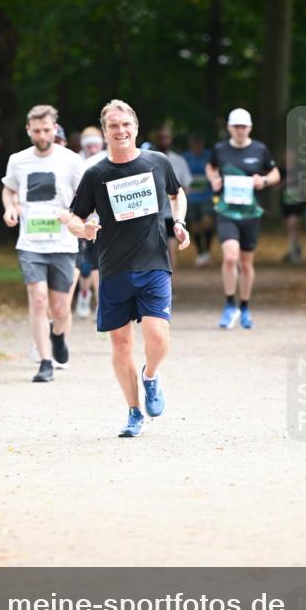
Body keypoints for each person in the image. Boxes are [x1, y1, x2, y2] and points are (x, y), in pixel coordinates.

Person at [61, 99, 190, 438]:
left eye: (125, 124)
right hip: (114, 268)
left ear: (136, 127)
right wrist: (83, 229)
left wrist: (179, 222)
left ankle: (150, 376)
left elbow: (178, 194)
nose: (120, 130)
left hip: (153, 264)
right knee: (120, 345)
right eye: (113, 126)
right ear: (105, 132)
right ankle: (134, 413)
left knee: (158, 337)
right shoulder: (96, 174)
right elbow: (75, 217)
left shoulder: (157, 163)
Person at [2, 104, 83, 382]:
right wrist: (10, 208)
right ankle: (45, 361)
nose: (42, 135)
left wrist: (72, 215)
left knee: (60, 309)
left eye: (47, 130)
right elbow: (9, 189)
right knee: (38, 301)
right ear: (28, 130)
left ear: (55, 129)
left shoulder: (71, 160)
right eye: (36, 130)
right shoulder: (18, 160)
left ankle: (58, 337)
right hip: (30, 243)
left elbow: (84, 195)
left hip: (63, 243)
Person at [205, 108, 280, 329]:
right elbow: (211, 167)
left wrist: (264, 181)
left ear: (249, 128)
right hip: (226, 211)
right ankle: (230, 305)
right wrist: (214, 179)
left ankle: (245, 306)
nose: (239, 130)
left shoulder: (259, 149)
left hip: (250, 213)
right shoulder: (220, 149)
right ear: (229, 127)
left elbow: (276, 174)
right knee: (230, 257)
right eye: (236, 126)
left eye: (243, 126)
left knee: (246, 264)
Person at [75, 126, 106, 317]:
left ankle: (100, 304)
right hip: (80, 218)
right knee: (83, 265)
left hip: (100, 220)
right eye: (89, 146)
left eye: (96, 145)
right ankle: (84, 296)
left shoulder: (104, 160)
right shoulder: (75, 161)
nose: (93, 149)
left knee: (98, 263)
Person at [152, 125, 192, 269]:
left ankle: (169, 285)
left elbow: (186, 186)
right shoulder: (148, 159)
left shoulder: (179, 161)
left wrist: (176, 199)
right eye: (160, 138)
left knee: (171, 250)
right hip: (153, 214)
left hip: (171, 215)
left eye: (166, 137)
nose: (163, 140)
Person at [183, 133, 214, 266]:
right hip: (191, 197)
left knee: (207, 222)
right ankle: (200, 253)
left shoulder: (209, 156)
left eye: (199, 144)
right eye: (194, 145)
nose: (197, 147)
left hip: (207, 195)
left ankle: (207, 251)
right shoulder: (185, 157)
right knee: (195, 226)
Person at [278, 147, 306, 263]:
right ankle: (297, 247)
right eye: (287, 155)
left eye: (291, 155)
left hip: (297, 202)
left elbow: (305, 186)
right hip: (285, 203)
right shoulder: (280, 170)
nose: (289, 157)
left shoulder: (300, 170)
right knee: (291, 228)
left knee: (292, 225)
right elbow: (276, 188)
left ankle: (293, 252)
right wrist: (285, 182)